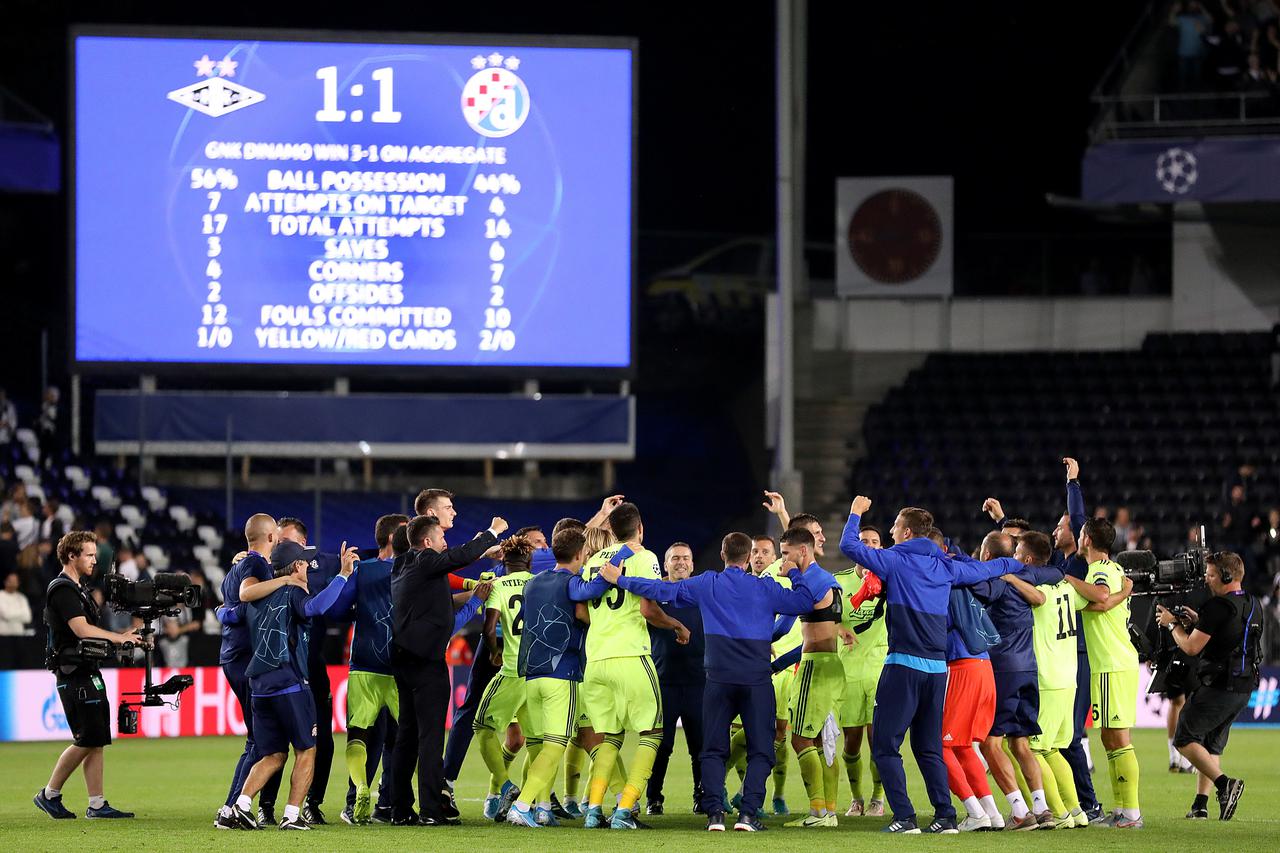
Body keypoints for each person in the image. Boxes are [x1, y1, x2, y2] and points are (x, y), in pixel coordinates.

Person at [599, 531, 825, 832]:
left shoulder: (707, 583)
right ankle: (748, 815)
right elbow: (806, 601)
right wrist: (794, 572)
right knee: (761, 749)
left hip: (717, 680)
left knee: (713, 749)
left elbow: (660, 589)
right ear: (748, 558)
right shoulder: (766, 587)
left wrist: (620, 579)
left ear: (722, 555)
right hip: (756, 679)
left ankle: (715, 814)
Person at [839, 496, 1011, 834]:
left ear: (906, 532)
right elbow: (991, 568)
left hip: (903, 666)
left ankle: (904, 817)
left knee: (885, 746)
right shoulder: (946, 565)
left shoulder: (894, 559)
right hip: (937, 671)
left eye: (894, 527)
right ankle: (945, 816)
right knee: (928, 748)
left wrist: (855, 513)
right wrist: (1020, 565)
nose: (891, 531)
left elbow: (848, 545)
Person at [225, 538, 356, 830]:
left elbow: (228, 613)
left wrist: (220, 609)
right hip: (290, 684)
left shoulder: (258, 594)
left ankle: (240, 807)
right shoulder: (293, 591)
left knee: (273, 754)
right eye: (305, 562)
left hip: (259, 687)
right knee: (307, 750)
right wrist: (343, 575)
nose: (308, 567)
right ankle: (292, 815)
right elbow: (316, 607)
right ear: (297, 566)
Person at [577, 501, 689, 830]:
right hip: (630, 656)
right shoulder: (644, 556)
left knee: (610, 736)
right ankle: (625, 809)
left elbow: (581, 610)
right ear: (640, 528)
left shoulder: (593, 561)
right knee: (652, 733)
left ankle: (594, 810)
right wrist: (676, 625)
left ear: (611, 531)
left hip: (596, 660)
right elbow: (648, 609)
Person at [390, 513, 504, 826]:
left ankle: (400, 809)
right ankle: (430, 810)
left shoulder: (404, 564)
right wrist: (491, 532)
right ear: (427, 542)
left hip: (403, 658)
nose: (445, 542)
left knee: (407, 735)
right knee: (430, 738)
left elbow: (438, 597)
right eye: (441, 537)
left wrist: (475, 594)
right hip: (426, 662)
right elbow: (455, 558)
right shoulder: (426, 561)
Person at [33, 531, 145, 820]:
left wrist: (123, 636)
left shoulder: (78, 588)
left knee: (96, 738)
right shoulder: (63, 589)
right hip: (73, 673)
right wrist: (119, 638)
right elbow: (82, 630)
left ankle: (96, 804)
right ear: (72, 556)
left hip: (86, 670)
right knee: (86, 737)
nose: (95, 560)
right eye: (90, 555)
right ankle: (49, 794)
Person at [504, 528, 611, 827]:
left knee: (540, 744)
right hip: (562, 673)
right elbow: (590, 593)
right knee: (555, 746)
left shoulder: (533, 582)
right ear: (580, 554)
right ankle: (522, 805)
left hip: (531, 674)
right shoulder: (572, 583)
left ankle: (542, 808)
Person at [963, 531, 1064, 830]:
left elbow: (971, 585)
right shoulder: (1028, 574)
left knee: (990, 744)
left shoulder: (994, 581)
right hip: (1028, 669)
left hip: (1003, 669)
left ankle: (1020, 811)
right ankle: (1041, 808)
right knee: (1020, 743)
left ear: (987, 556)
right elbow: (1057, 572)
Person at [1159, 551, 1259, 821]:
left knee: (1184, 738)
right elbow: (1230, 633)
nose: (1206, 578)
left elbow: (1191, 647)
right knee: (1210, 745)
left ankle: (1225, 784)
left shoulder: (1218, 607)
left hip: (1219, 686)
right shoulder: (1252, 603)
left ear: (1226, 576)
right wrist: (1198, 622)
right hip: (1243, 687)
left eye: (1211, 574)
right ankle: (1200, 806)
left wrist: (1172, 625)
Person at [256, 518, 339, 825]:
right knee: (275, 745)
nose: (279, 547)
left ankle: (312, 804)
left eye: (286, 542)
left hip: (312, 667)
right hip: (282, 668)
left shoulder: (325, 564)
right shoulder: (267, 570)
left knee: (321, 741)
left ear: (303, 545)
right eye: (278, 542)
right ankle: (266, 806)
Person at [326, 513, 407, 825]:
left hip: (364, 665)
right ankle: (393, 803)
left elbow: (336, 611)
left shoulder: (363, 569)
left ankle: (357, 794)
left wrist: (350, 585)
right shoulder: (413, 570)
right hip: (399, 668)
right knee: (401, 739)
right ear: (393, 538)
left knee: (359, 736)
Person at [1064, 518, 1143, 828]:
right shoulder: (1113, 569)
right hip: (1108, 664)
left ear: (1087, 539)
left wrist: (1069, 581)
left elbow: (1100, 597)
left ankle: (1131, 812)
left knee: (1118, 738)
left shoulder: (1099, 570)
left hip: (1112, 663)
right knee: (1109, 738)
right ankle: (1122, 809)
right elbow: (1103, 602)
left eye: (1081, 533)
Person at [772, 526, 850, 828]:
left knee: (800, 739)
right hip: (832, 666)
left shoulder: (810, 582)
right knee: (822, 740)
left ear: (802, 551)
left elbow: (783, 626)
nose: (783, 560)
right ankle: (829, 812)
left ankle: (818, 813)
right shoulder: (829, 580)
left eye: (786, 553)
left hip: (814, 669)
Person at [213, 513, 277, 829]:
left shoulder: (236, 567)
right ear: (271, 537)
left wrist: (222, 612)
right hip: (247, 658)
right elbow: (245, 602)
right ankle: (231, 809)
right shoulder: (255, 566)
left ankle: (233, 807)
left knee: (257, 739)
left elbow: (228, 608)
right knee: (259, 741)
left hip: (233, 656)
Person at [474, 535, 537, 821]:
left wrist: (494, 653)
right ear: (529, 560)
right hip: (539, 673)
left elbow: (489, 629)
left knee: (482, 726)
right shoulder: (540, 582)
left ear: (504, 560)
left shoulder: (499, 585)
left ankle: (505, 786)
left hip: (512, 671)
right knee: (536, 740)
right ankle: (538, 805)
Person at [644, 542, 707, 816]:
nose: (681, 562)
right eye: (675, 558)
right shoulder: (654, 594)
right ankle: (653, 798)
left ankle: (702, 797)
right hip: (663, 682)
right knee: (661, 745)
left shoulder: (703, 593)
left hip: (699, 681)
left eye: (686, 558)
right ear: (665, 563)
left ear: (692, 564)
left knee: (701, 746)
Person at [835, 523, 888, 818]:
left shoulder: (891, 579)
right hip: (849, 670)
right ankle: (856, 798)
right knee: (851, 743)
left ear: (881, 547)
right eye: (863, 541)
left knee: (877, 739)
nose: (868, 545)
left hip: (880, 669)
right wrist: (839, 628)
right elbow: (825, 615)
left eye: (874, 541)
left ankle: (878, 799)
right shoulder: (839, 581)